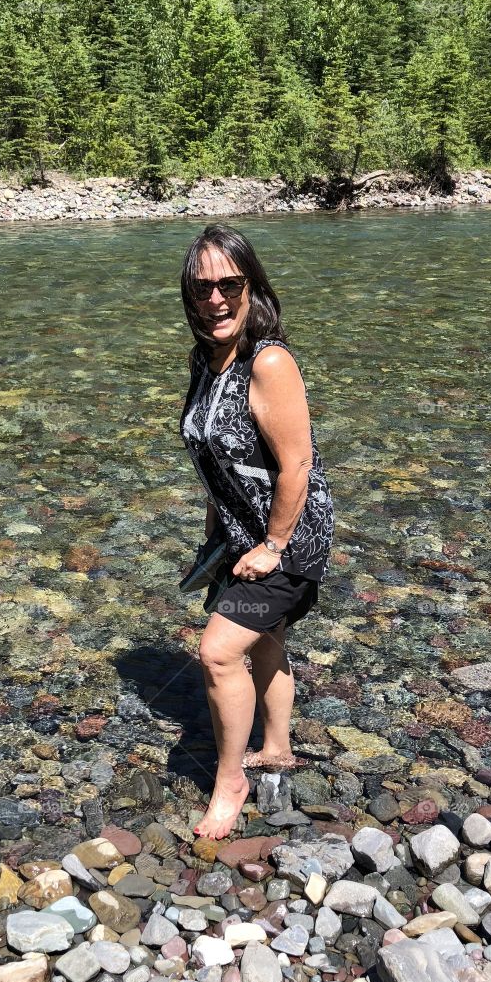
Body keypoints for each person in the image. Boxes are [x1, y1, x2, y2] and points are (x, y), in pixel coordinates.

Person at [178, 224, 334, 839]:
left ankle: (230, 781)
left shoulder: (268, 362)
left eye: (229, 284)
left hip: (289, 538)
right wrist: (215, 535)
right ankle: (276, 746)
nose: (215, 298)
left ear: (252, 288)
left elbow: (297, 463)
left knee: (217, 652)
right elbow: (219, 461)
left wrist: (272, 546)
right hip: (238, 536)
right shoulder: (204, 361)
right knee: (261, 638)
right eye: (201, 287)